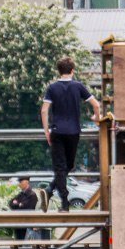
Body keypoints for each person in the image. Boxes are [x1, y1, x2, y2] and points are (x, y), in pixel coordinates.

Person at [41, 57, 101, 212]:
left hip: (57, 131)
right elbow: (96, 104)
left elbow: (44, 110)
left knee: (61, 167)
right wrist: (96, 119)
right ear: (72, 70)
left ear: (58, 71)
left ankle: (58, 197)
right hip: (74, 131)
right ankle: (56, 195)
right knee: (68, 165)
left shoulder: (52, 88)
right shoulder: (78, 86)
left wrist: (46, 130)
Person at [9, 177, 39, 249]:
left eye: (21, 182)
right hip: (19, 223)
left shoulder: (32, 195)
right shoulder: (21, 194)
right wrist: (19, 204)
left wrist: (17, 204)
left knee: (29, 244)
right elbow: (11, 203)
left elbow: (28, 208)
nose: (19, 184)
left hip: (27, 224)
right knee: (19, 243)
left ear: (26, 182)